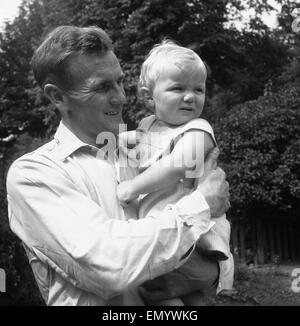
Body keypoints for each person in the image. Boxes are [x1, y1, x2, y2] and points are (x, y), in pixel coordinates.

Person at [6, 25, 232, 306]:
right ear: (58, 97)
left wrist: (209, 274)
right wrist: (203, 204)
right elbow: (110, 265)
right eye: (102, 87)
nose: (121, 97)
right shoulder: (35, 173)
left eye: (120, 81)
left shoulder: (147, 152)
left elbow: (213, 256)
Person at [116, 40, 233, 305]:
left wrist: (133, 187)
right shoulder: (150, 126)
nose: (190, 96)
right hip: (167, 226)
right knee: (166, 297)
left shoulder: (199, 129)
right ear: (148, 96)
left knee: (178, 294)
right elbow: (138, 140)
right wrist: (119, 139)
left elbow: (179, 163)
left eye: (198, 89)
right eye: (178, 88)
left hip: (195, 231)